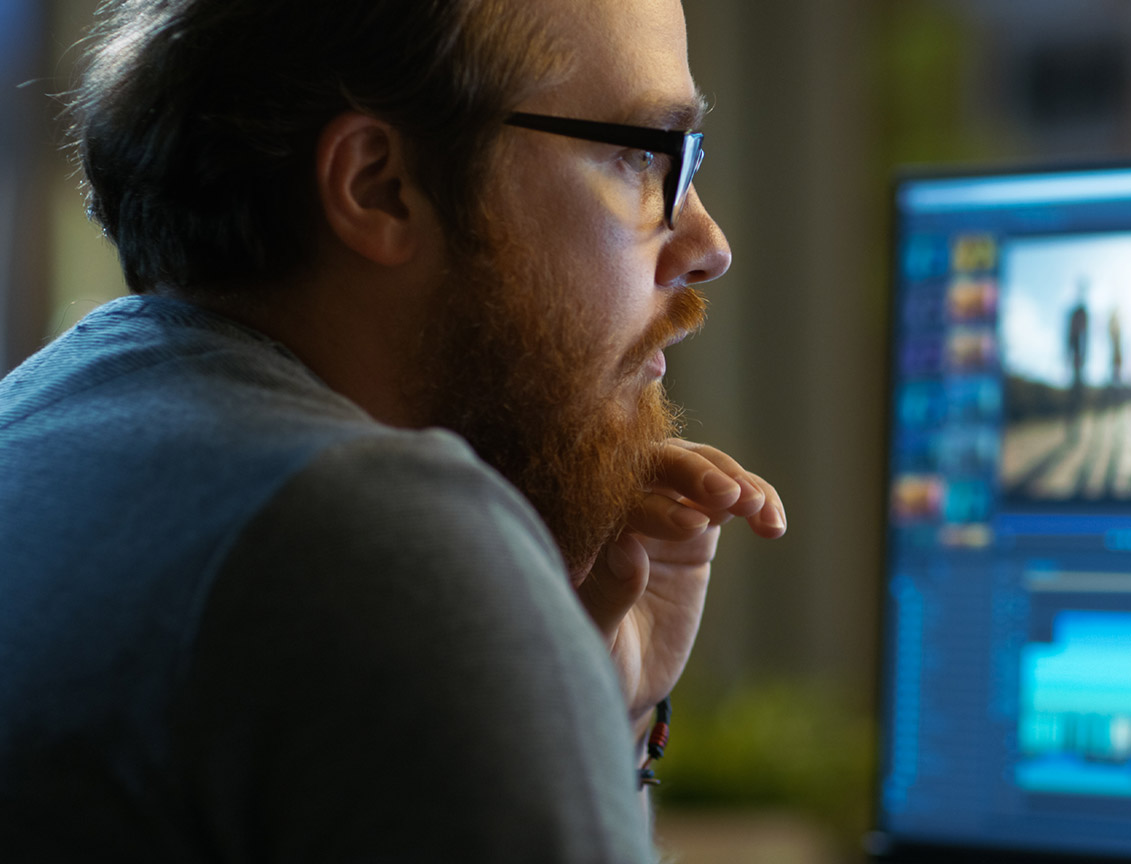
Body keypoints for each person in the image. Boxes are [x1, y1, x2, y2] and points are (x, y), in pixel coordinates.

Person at [0, 0, 785, 860]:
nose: (708, 243)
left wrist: (601, 714)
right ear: (379, 185)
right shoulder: (371, 537)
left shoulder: (39, 426)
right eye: (640, 154)